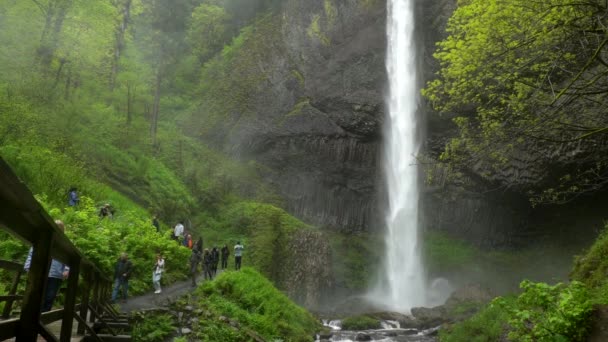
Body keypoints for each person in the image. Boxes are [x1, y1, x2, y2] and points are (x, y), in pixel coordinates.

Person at [24, 220, 70, 312]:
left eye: (59, 228)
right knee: (36, 294)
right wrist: (28, 266)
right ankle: (33, 314)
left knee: (50, 296)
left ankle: (43, 316)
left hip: (56, 274)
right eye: (55, 227)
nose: (57, 229)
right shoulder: (43, 236)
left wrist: (67, 269)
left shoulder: (64, 243)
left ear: (62, 230)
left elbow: (69, 258)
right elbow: (32, 252)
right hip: (40, 271)